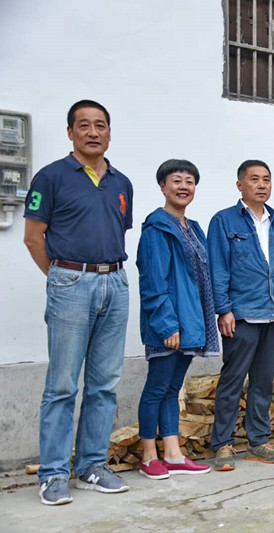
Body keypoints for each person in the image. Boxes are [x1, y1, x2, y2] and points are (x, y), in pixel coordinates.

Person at [23, 100, 133, 505]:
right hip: (70, 282)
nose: (92, 132)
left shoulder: (122, 183)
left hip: (115, 283)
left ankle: (92, 466)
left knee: (105, 384)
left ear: (109, 133)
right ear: (70, 132)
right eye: (83, 125)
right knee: (63, 385)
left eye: (100, 125)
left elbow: (116, 232)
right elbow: (33, 238)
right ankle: (53, 474)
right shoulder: (51, 177)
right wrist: (61, 277)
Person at [207, 160, 274, 471]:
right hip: (242, 313)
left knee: (262, 381)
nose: (261, 185)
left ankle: (258, 441)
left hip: (273, 312)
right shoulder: (224, 221)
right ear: (240, 185)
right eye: (254, 179)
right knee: (232, 381)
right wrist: (224, 309)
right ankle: (222, 444)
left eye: (266, 180)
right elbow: (218, 268)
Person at [136, 159, 217, 479]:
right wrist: (167, 325)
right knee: (156, 388)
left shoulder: (193, 228)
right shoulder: (157, 228)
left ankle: (173, 454)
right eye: (176, 180)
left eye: (189, 181)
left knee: (172, 389)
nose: (183, 187)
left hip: (190, 322)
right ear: (162, 186)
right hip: (168, 325)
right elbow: (153, 281)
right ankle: (148, 456)